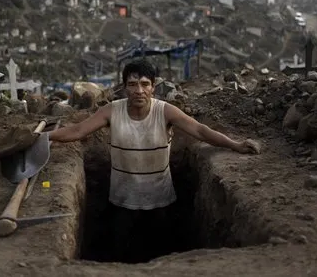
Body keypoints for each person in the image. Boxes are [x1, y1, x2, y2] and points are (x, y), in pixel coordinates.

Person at [47, 59, 261, 261]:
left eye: (144, 84)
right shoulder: (112, 111)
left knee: (161, 253)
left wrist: (235, 145)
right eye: (132, 84)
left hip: (160, 201)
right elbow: (78, 130)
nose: (138, 90)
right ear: (124, 88)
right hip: (122, 202)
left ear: (153, 88)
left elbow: (200, 130)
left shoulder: (165, 111)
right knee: (122, 255)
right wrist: (44, 137)